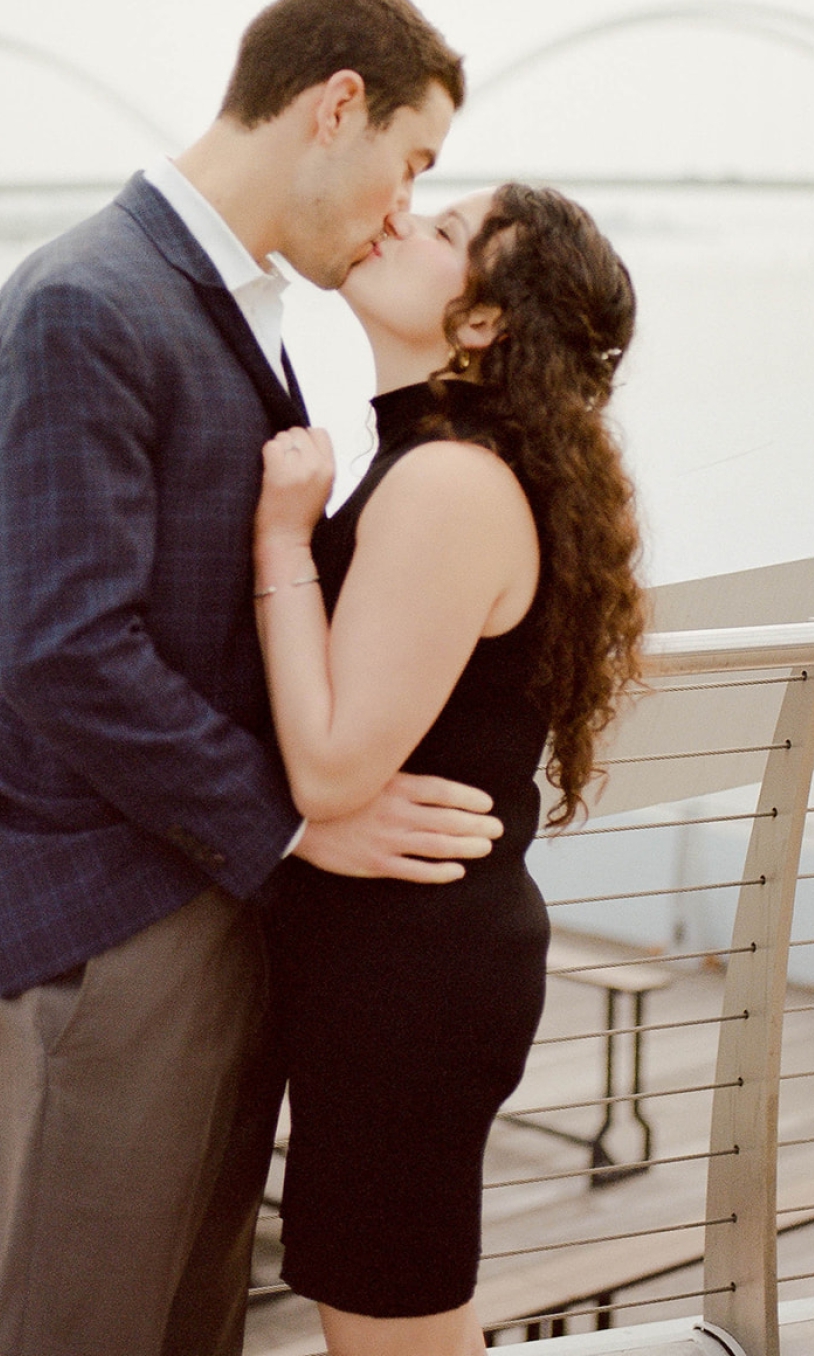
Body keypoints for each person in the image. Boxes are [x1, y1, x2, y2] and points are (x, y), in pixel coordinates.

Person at [0, 0, 507, 1356]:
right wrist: (309, 817)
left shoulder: (231, 304)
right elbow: (63, 652)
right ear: (336, 105)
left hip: (204, 899)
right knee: (85, 1329)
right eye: (411, 164)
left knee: (186, 1330)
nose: (399, 210)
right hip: (107, 929)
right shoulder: (86, 301)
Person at [252, 183, 645, 1356]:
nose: (399, 218)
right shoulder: (435, 460)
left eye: (442, 231)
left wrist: (280, 538)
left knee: (391, 1328)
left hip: (405, 978)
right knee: (396, 1311)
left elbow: (327, 766)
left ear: (480, 323)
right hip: (402, 960)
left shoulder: (445, 483)